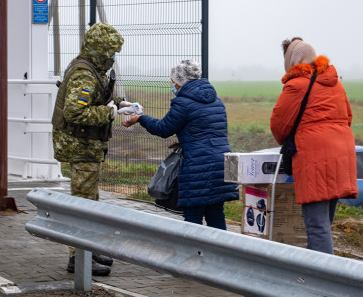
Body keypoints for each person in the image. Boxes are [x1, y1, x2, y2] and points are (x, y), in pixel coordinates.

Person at [52, 22, 141, 276]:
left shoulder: (93, 69)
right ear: (101, 50)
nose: (114, 57)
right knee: (83, 202)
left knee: (90, 200)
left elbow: (98, 96)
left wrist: (121, 103)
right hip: (80, 145)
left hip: (87, 145)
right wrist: (109, 113)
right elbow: (75, 111)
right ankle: (78, 258)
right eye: (112, 52)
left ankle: (88, 250)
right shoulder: (84, 74)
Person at [123, 59, 238, 229]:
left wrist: (141, 118)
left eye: (173, 82)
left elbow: (163, 129)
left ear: (180, 83)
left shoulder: (183, 103)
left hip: (198, 166)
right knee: (215, 214)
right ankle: (220, 255)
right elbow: (207, 132)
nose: (172, 85)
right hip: (222, 164)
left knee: (193, 217)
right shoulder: (217, 101)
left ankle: (192, 254)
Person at [269, 38, 358, 254]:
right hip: (342, 157)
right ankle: (313, 274)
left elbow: (278, 127)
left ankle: (323, 281)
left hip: (315, 160)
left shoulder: (296, 85)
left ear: (292, 61)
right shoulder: (335, 82)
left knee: (317, 228)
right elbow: (347, 117)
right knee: (324, 225)